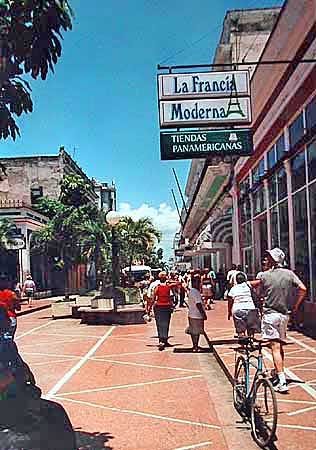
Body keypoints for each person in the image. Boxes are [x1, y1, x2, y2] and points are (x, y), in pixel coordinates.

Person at [250, 248, 307, 393]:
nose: (266, 259)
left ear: (273, 260)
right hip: (284, 315)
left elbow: (253, 285)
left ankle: (282, 381)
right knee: (279, 346)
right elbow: (303, 288)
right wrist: (295, 305)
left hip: (270, 314)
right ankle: (278, 370)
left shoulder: (264, 275)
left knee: (274, 347)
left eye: (268, 257)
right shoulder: (289, 274)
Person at [227, 272, 260, 338]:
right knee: (251, 328)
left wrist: (229, 312)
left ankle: (242, 337)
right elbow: (258, 282)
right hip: (250, 308)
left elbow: (230, 301)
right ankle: (251, 339)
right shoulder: (248, 284)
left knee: (240, 329)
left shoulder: (233, 288)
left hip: (237, 309)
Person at [148, 272, 176, 351]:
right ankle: (165, 340)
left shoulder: (157, 287)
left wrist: (149, 310)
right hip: (167, 307)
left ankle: (161, 340)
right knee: (166, 323)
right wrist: (170, 281)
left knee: (159, 324)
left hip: (158, 307)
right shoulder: (168, 286)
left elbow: (153, 299)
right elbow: (178, 283)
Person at [186, 275, 207, 351]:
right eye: (198, 282)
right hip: (196, 314)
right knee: (196, 332)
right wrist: (203, 314)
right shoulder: (195, 292)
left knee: (194, 331)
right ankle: (195, 347)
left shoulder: (192, 291)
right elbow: (198, 304)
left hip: (192, 313)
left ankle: (195, 345)